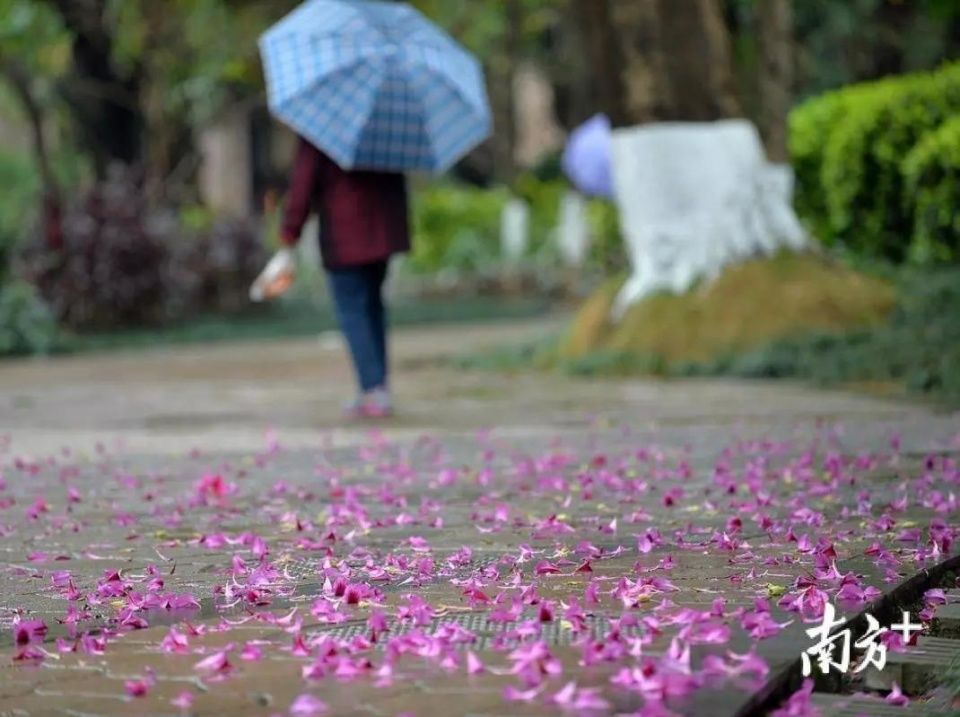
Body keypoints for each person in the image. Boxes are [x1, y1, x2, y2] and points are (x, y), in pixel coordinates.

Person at [273, 135, 410, 419]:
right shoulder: (384, 127)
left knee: (354, 311)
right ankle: (377, 386)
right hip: (383, 232)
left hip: (345, 235)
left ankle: (372, 389)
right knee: (372, 308)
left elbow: (303, 182)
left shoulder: (320, 130)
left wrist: (290, 231)